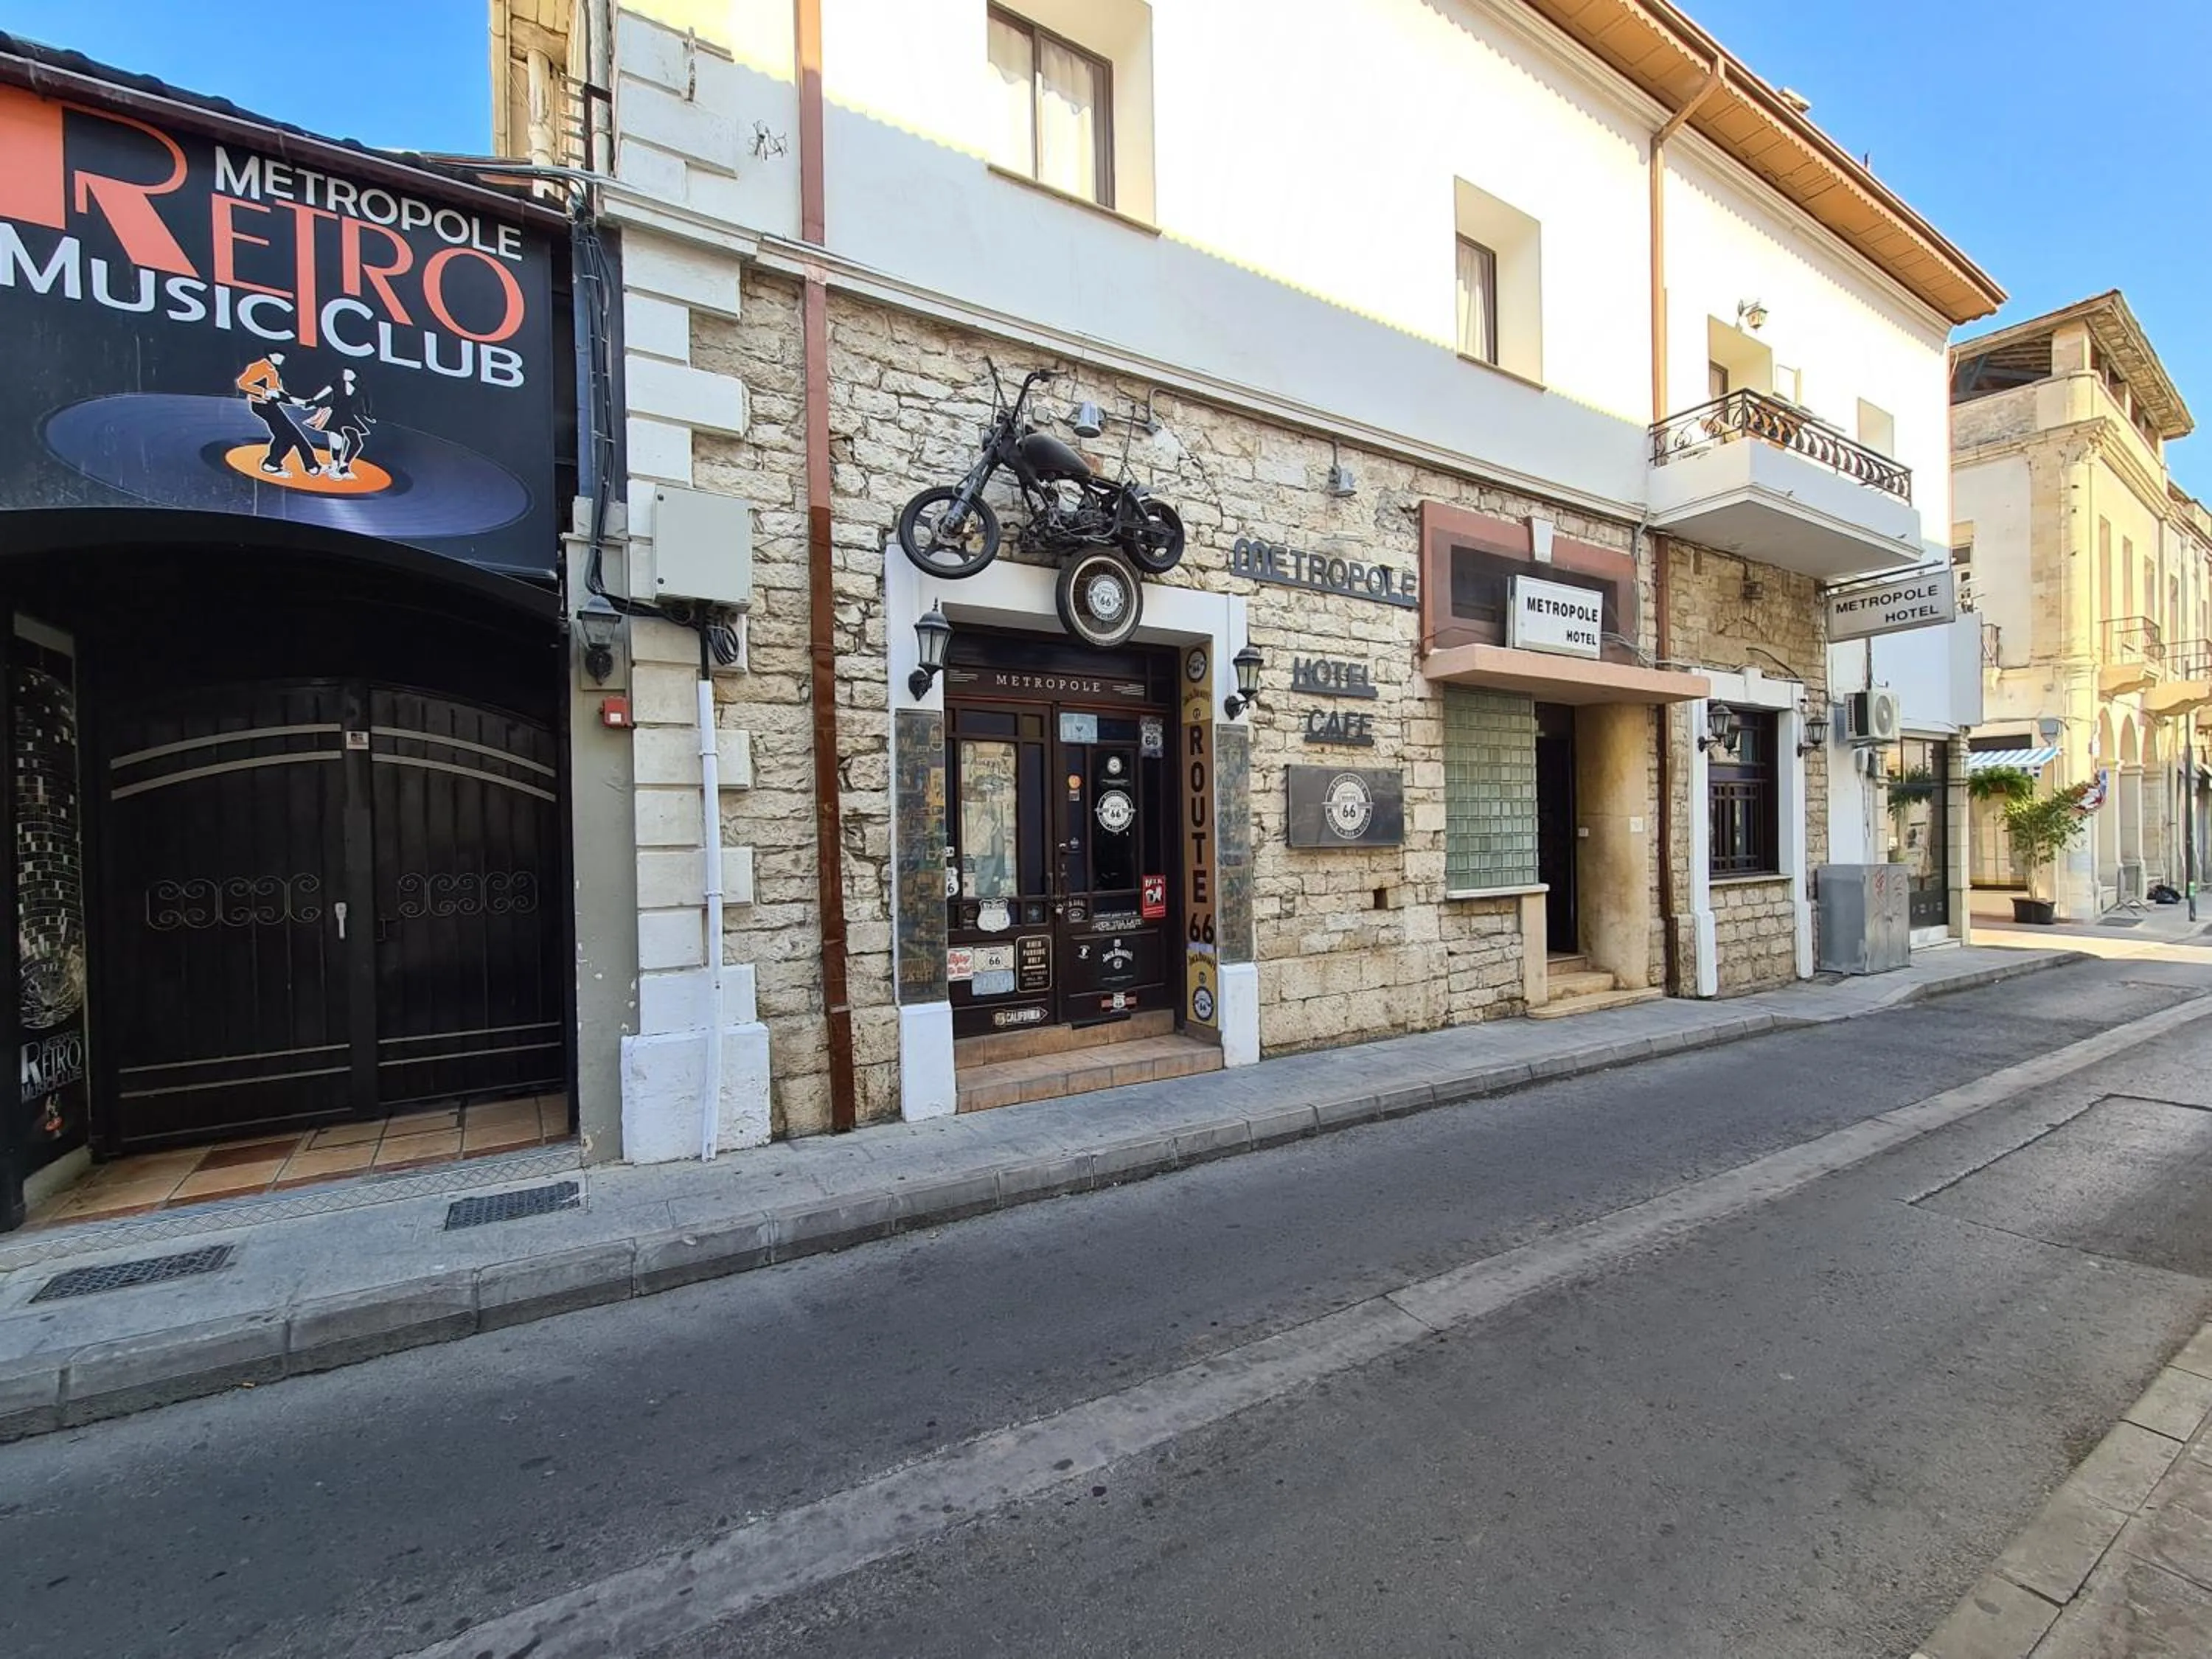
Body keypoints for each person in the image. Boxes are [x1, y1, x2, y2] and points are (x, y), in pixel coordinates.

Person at [234, 352, 321, 478]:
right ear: (271, 355)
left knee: (287, 436)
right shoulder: (260, 367)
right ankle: (309, 465)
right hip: (262, 405)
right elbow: (242, 382)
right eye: (279, 356)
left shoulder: (273, 369)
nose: (281, 359)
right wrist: (264, 392)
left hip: (270, 405)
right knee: (290, 435)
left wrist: (297, 402)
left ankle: (276, 464)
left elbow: (278, 393)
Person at [308, 369, 375, 480]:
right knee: (337, 444)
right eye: (345, 372)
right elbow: (326, 391)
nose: (345, 374)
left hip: (348, 417)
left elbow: (367, 401)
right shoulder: (337, 382)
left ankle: (344, 466)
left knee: (356, 443)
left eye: (349, 373)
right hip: (334, 415)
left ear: (355, 375)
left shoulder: (361, 389)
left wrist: (368, 414)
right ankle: (334, 467)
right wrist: (312, 401)